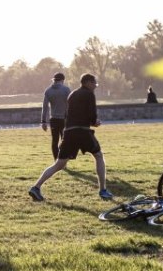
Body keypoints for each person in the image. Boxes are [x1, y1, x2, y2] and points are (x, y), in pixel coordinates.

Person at [28, 73, 112, 202]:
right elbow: (91, 115)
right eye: (94, 83)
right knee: (98, 155)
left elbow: (69, 113)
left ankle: (36, 187)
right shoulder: (89, 94)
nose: (95, 86)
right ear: (88, 82)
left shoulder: (72, 94)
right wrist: (95, 122)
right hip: (82, 131)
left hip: (69, 132)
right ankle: (103, 190)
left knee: (59, 164)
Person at [40, 72, 70, 159]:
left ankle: (56, 160)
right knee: (65, 140)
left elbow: (45, 107)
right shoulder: (66, 90)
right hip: (64, 119)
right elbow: (71, 104)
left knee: (55, 141)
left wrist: (43, 121)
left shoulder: (48, 91)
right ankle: (63, 159)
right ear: (62, 80)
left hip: (53, 119)